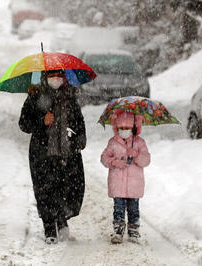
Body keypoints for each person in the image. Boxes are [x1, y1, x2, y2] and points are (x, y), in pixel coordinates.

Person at [18, 69, 87, 244]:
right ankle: (49, 227)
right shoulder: (35, 96)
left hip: (67, 152)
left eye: (58, 75)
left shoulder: (69, 97)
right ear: (44, 77)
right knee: (45, 189)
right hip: (42, 153)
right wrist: (42, 121)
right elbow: (24, 124)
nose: (55, 79)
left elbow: (79, 121)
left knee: (67, 187)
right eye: (51, 75)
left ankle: (62, 220)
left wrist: (80, 138)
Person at [100, 110, 151, 244]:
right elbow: (104, 158)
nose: (124, 130)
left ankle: (134, 230)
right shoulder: (113, 143)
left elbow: (146, 160)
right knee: (118, 208)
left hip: (134, 184)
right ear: (116, 127)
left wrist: (136, 156)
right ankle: (118, 230)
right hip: (117, 183)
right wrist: (114, 162)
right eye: (121, 128)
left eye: (127, 128)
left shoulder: (139, 143)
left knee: (133, 209)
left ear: (134, 128)